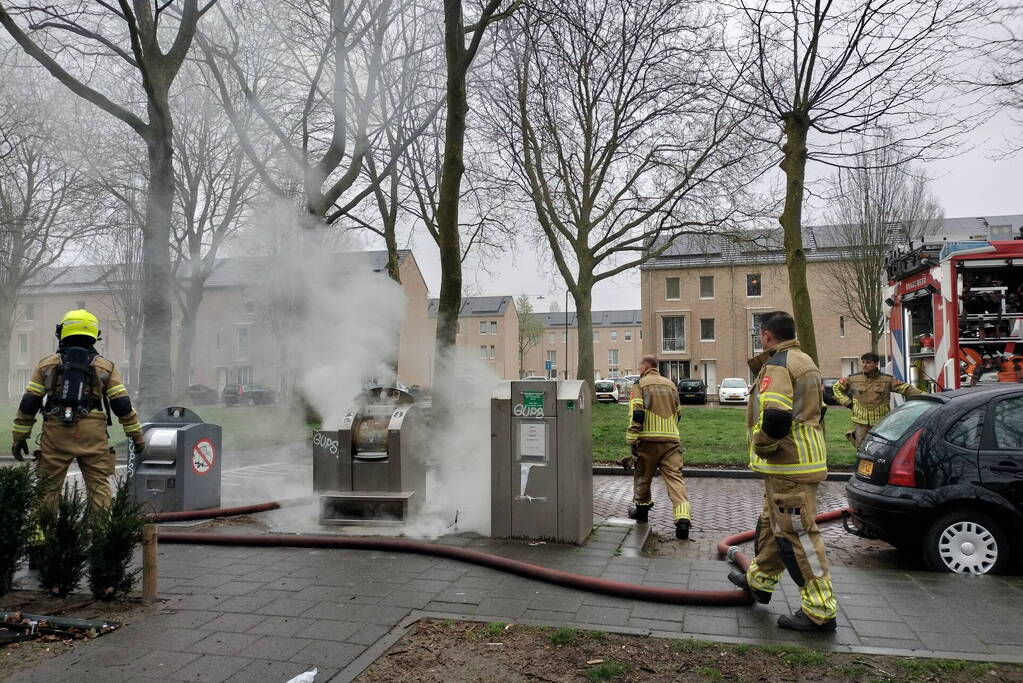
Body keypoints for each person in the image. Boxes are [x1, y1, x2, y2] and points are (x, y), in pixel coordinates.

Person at [727, 311, 838, 632]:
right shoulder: (805, 361)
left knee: (798, 535)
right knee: (776, 525)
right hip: (799, 462)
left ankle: (820, 610)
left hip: (789, 464)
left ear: (766, 335)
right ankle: (760, 580)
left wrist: (761, 445)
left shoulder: (778, 365)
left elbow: (776, 417)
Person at [11, 309, 145, 510]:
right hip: (93, 434)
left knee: (47, 487)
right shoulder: (105, 367)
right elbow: (122, 405)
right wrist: (136, 436)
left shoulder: (46, 365)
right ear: (94, 334)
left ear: (62, 332)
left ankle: (42, 528)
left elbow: (29, 404)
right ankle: (101, 528)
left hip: (56, 433)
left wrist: (19, 437)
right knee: (99, 486)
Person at [625, 354, 691, 539]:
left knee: (643, 477)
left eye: (640, 367)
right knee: (675, 479)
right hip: (671, 441)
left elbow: (638, 413)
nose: (639, 370)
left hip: (648, 440)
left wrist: (633, 438)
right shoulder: (671, 385)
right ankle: (683, 520)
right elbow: (679, 413)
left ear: (645, 367)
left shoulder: (640, 384)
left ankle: (642, 512)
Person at [832, 352, 922, 447]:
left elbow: (905, 388)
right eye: (863, 362)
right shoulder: (853, 378)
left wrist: (925, 395)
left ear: (876, 364)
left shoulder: (887, 379)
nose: (864, 365)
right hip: (860, 423)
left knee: (881, 447)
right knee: (861, 448)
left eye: (868, 362)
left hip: (881, 423)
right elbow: (836, 388)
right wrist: (848, 403)